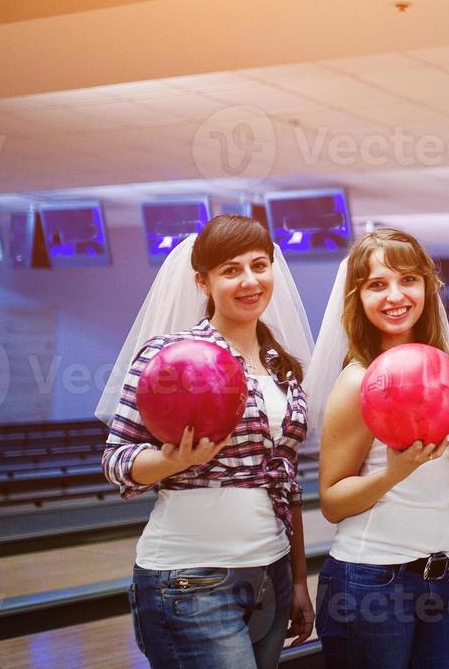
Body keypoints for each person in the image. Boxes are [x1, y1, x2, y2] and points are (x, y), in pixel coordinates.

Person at [98, 215, 317, 669]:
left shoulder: (283, 369)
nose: (249, 280)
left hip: (270, 575)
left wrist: (298, 580)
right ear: (203, 281)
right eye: (231, 270)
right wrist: (171, 460)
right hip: (191, 579)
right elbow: (117, 460)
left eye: (259, 265)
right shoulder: (170, 358)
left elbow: (285, 481)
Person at [306, 228, 449, 669]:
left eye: (408, 279)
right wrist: (395, 472)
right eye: (377, 285)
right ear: (358, 297)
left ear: (427, 287)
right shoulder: (357, 380)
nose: (396, 295)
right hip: (367, 582)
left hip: (435, 579)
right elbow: (332, 503)